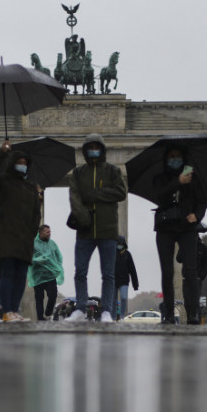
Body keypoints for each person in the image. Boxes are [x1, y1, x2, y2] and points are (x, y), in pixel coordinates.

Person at [64, 133, 127, 323]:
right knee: (80, 272)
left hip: (108, 229)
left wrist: (96, 194)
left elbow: (121, 192)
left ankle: (107, 311)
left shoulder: (113, 171)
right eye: (90, 147)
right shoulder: (78, 173)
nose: (93, 150)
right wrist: (84, 218)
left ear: (102, 149)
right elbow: (74, 197)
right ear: (85, 150)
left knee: (108, 274)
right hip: (84, 230)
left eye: (96, 147)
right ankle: (80, 308)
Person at [0, 141, 42, 322]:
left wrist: (32, 233)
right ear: (12, 163)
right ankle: (7, 311)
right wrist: (2, 153)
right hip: (6, 237)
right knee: (8, 274)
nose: (22, 166)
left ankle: (14, 311)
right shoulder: (3, 182)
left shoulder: (31, 188)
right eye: (19, 162)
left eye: (25, 163)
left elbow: (35, 216)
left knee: (21, 277)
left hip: (24, 240)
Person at [151, 144, 207, 325]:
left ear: (183, 159)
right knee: (166, 272)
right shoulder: (160, 178)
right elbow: (158, 196)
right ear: (166, 159)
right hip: (165, 228)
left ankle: (194, 313)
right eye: (171, 156)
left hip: (187, 229)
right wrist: (177, 182)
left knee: (191, 272)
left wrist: (197, 215)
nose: (174, 159)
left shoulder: (194, 178)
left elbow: (202, 201)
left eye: (178, 156)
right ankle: (168, 314)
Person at [28, 224, 64, 321]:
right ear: (41, 232)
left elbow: (59, 257)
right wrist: (36, 259)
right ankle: (40, 318)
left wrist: (59, 268)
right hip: (38, 276)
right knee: (39, 298)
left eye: (50, 232)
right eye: (47, 232)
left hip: (50, 275)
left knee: (53, 296)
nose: (49, 234)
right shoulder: (33, 244)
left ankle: (48, 311)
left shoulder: (52, 244)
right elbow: (28, 257)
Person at [113, 235, 139, 320]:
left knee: (124, 298)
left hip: (124, 281)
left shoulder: (127, 254)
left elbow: (132, 269)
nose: (119, 245)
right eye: (118, 243)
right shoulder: (112, 253)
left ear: (124, 244)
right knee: (113, 300)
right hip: (113, 280)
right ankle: (112, 317)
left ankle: (121, 317)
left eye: (121, 243)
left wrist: (135, 285)